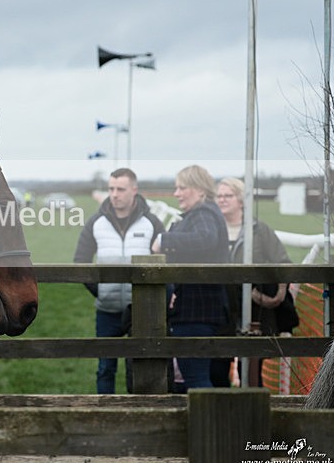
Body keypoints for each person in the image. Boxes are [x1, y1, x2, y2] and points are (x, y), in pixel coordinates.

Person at [74, 168, 165, 393]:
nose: (114, 194)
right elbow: (80, 261)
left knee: (139, 366)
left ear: (134, 190)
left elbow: (167, 263)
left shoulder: (152, 222)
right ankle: (105, 418)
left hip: (141, 309)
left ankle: (140, 414)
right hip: (107, 311)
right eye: (111, 189)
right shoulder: (95, 222)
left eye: (120, 189)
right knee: (105, 367)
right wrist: (101, 291)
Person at [152, 165, 229, 390]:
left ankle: (206, 425)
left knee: (195, 378)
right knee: (195, 376)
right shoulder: (203, 213)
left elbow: (205, 239)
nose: (176, 193)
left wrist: (164, 241)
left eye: (182, 187)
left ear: (199, 189)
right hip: (197, 308)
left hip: (198, 311)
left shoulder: (203, 214)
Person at [217, 177, 298, 384]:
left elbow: (283, 262)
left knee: (252, 370)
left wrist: (274, 295)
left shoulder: (259, 230)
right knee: (217, 367)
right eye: (219, 196)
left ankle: (255, 413)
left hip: (256, 310)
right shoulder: (213, 229)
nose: (222, 200)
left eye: (228, 195)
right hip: (221, 309)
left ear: (241, 200)